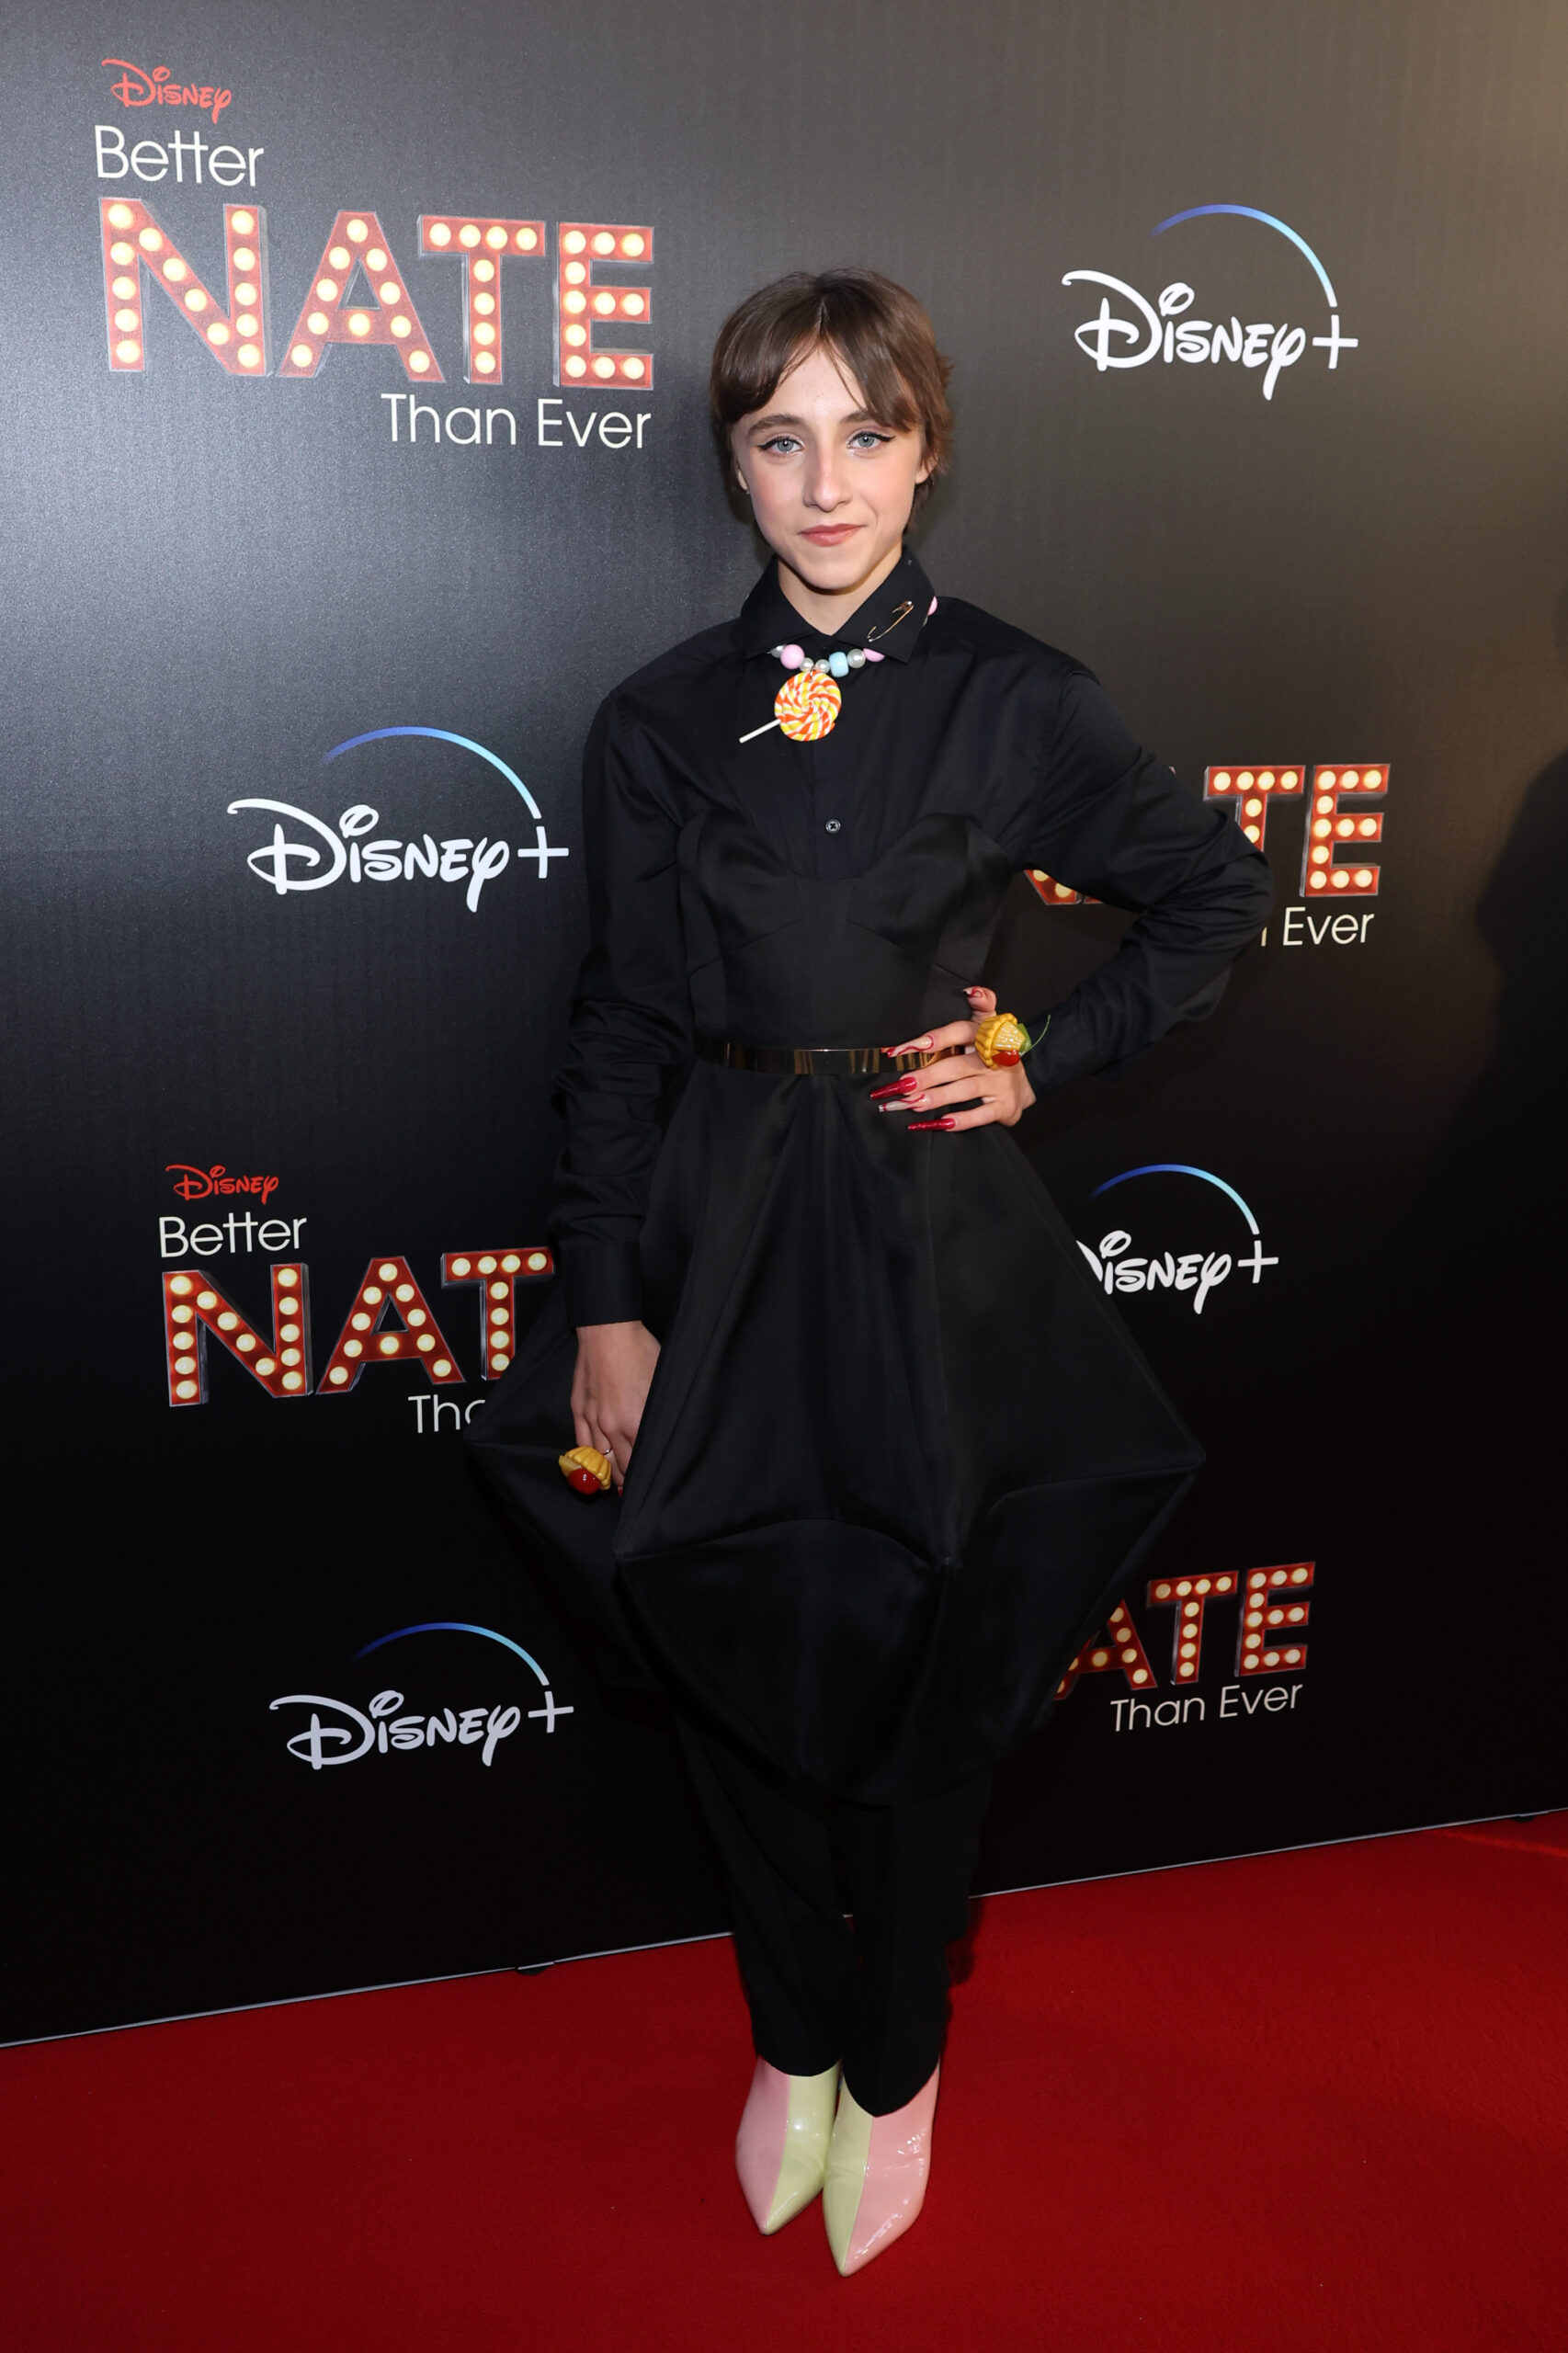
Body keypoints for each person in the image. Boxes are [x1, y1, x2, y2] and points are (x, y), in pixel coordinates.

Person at [470, 268, 1273, 2274]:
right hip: (718, 1237)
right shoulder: (658, 719)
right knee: (722, 1639)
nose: (825, 483)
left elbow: (1211, 888)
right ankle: (794, 2038)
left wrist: (1042, 1054)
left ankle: (898, 2058)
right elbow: (618, 1025)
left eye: (866, 432)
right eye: (780, 438)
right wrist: (609, 1301)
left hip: (927, 1242)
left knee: (930, 1663)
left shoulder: (1019, 695)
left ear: (927, 450)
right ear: (734, 466)